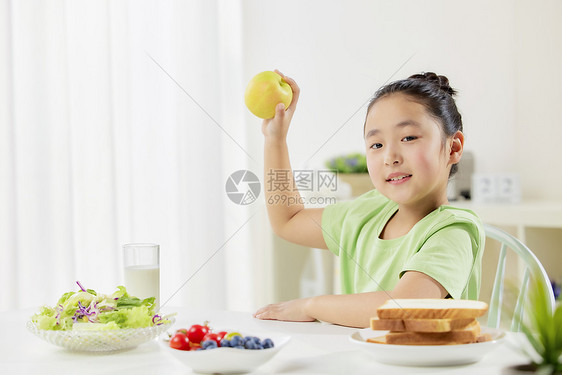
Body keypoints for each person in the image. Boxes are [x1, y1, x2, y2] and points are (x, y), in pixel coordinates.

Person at [253, 70, 484, 328]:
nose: (390, 156)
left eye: (408, 138)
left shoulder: (453, 231)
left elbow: (402, 310)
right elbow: (288, 220)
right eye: (376, 145)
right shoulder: (369, 211)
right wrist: (275, 140)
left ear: (453, 148)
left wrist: (311, 306)